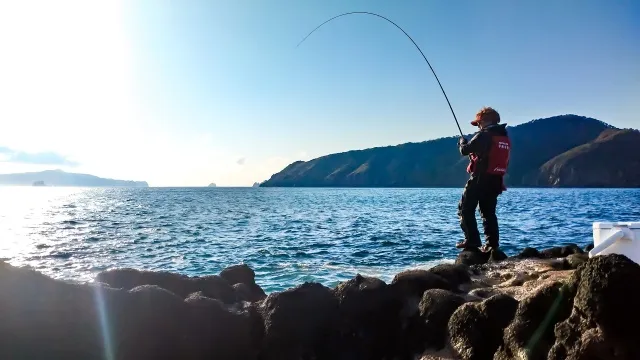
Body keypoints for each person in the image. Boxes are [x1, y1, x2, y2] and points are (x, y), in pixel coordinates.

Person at [455, 106, 511, 252]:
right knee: (488, 213)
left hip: (480, 178)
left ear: (485, 121)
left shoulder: (484, 135)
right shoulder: (503, 137)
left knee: (465, 209)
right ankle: (492, 245)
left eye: (479, 123)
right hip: (496, 180)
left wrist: (462, 142)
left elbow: (465, 150)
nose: (478, 126)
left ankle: (472, 241)